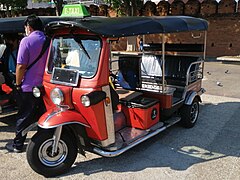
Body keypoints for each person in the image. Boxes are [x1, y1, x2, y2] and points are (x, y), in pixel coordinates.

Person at [5, 15, 47, 153]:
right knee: (43, 115)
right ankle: (43, 141)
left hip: (28, 87)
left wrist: (17, 84)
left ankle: (18, 145)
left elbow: (21, 66)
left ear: (29, 27)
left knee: (23, 116)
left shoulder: (26, 41)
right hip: (45, 86)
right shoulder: (49, 40)